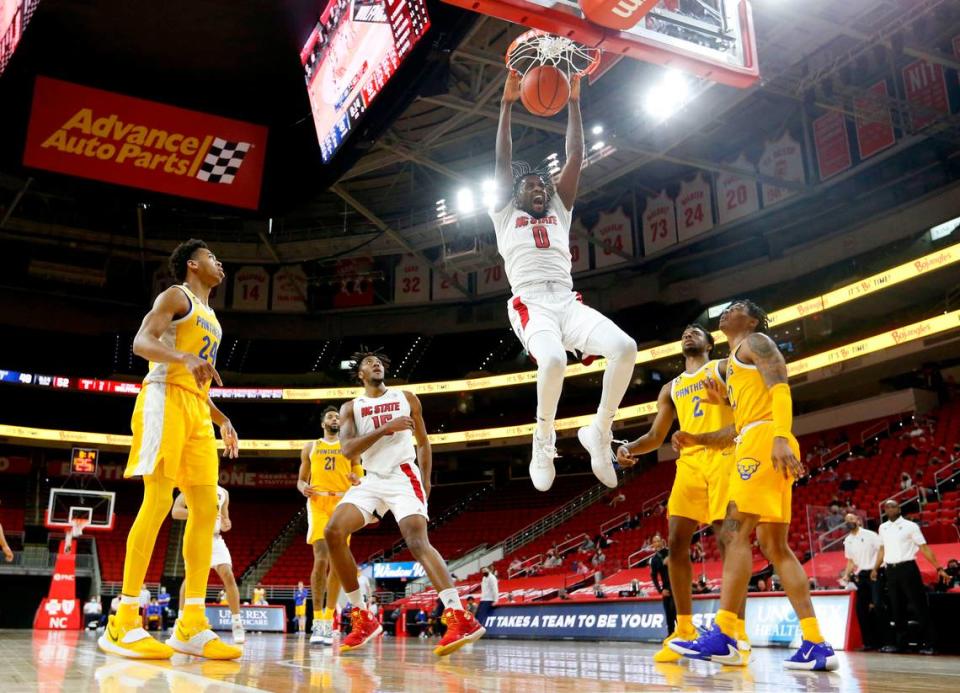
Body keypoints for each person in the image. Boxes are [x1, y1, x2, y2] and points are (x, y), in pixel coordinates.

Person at [669, 300, 838, 671]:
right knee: (775, 546)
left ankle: (725, 633)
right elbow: (735, 427)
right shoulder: (734, 366)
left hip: (763, 442)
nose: (726, 312)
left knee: (733, 533)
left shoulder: (756, 342)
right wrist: (698, 439)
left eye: (737, 307)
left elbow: (780, 387)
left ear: (755, 319)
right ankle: (815, 642)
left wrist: (779, 436)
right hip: (756, 438)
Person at [492, 69, 638, 492]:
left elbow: (575, 156)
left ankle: (600, 432)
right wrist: (506, 106)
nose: (539, 189)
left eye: (543, 185)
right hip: (530, 303)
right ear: (516, 195)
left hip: (567, 301)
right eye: (531, 186)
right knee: (553, 361)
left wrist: (573, 100)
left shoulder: (559, 207)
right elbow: (503, 160)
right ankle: (542, 439)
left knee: (625, 348)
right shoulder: (504, 213)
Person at [98, 239, 240, 661]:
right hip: (163, 399)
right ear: (194, 264)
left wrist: (222, 418)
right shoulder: (176, 295)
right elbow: (142, 343)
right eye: (213, 256)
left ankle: (191, 623)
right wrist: (181, 355)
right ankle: (123, 621)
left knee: (204, 509)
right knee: (158, 499)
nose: (220, 261)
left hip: (197, 410)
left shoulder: (212, 317)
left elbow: (195, 376)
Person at [323, 348, 485, 656]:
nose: (375, 365)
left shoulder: (406, 398)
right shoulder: (350, 408)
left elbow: (423, 442)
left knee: (416, 541)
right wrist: (386, 428)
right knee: (332, 532)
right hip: (371, 478)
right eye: (368, 363)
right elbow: (346, 450)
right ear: (360, 374)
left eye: (379, 362)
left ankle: (458, 615)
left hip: (402, 474)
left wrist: (425, 480)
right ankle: (362, 618)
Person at [616, 325, 748, 662]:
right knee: (675, 543)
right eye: (685, 332)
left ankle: (735, 631)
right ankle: (684, 628)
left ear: (709, 342)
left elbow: (747, 410)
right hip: (689, 462)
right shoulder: (671, 388)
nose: (688, 334)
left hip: (724, 455)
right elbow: (656, 435)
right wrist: (628, 447)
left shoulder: (721, 367)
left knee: (727, 541)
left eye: (696, 332)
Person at [298, 405, 364, 645]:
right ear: (323, 423)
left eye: (338, 416)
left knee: (337, 563)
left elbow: (359, 472)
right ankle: (318, 621)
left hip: (343, 502)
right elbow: (301, 479)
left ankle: (328, 619)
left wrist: (358, 477)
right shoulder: (311, 447)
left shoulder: (350, 445)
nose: (335, 418)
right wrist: (301, 487)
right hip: (318, 502)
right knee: (321, 557)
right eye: (330, 416)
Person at [874, 499, 948, 654]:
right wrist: (875, 568)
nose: (890, 508)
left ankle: (930, 644)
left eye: (893, 506)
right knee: (896, 607)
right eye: (887, 506)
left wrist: (939, 568)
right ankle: (902, 644)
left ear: (899, 509)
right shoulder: (882, 527)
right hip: (890, 571)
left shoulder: (911, 526)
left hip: (908, 568)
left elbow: (924, 548)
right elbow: (882, 550)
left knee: (918, 605)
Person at [172, 485, 245, 644]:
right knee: (189, 581)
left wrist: (226, 523)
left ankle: (237, 623)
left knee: (229, 576)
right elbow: (176, 511)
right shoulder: (193, 487)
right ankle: (181, 621)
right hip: (196, 538)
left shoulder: (224, 492)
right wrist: (197, 513)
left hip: (215, 540)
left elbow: (225, 519)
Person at [839, 513, 882, 649]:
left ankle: (886, 641)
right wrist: (846, 575)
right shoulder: (848, 540)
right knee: (861, 609)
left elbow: (882, 550)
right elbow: (851, 561)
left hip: (875, 572)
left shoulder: (870, 535)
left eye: (851, 519)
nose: (849, 522)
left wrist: (876, 568)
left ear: (858, 520)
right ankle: (868, 643)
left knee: (878, 605)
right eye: (846, 521)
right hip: (861, 575)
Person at [649, 536, 676, 637]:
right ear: (653, 544)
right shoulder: (654, 560)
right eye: (654, 542)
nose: (657, 543)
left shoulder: (670, 552)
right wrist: (660, 590)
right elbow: (654, 576)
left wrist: (672, 560)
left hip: (676, 586)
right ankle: (670, 635)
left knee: (675, 612)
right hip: (666, 588)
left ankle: (683, 634)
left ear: (662, 542)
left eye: (658, 541)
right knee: (668, 614)